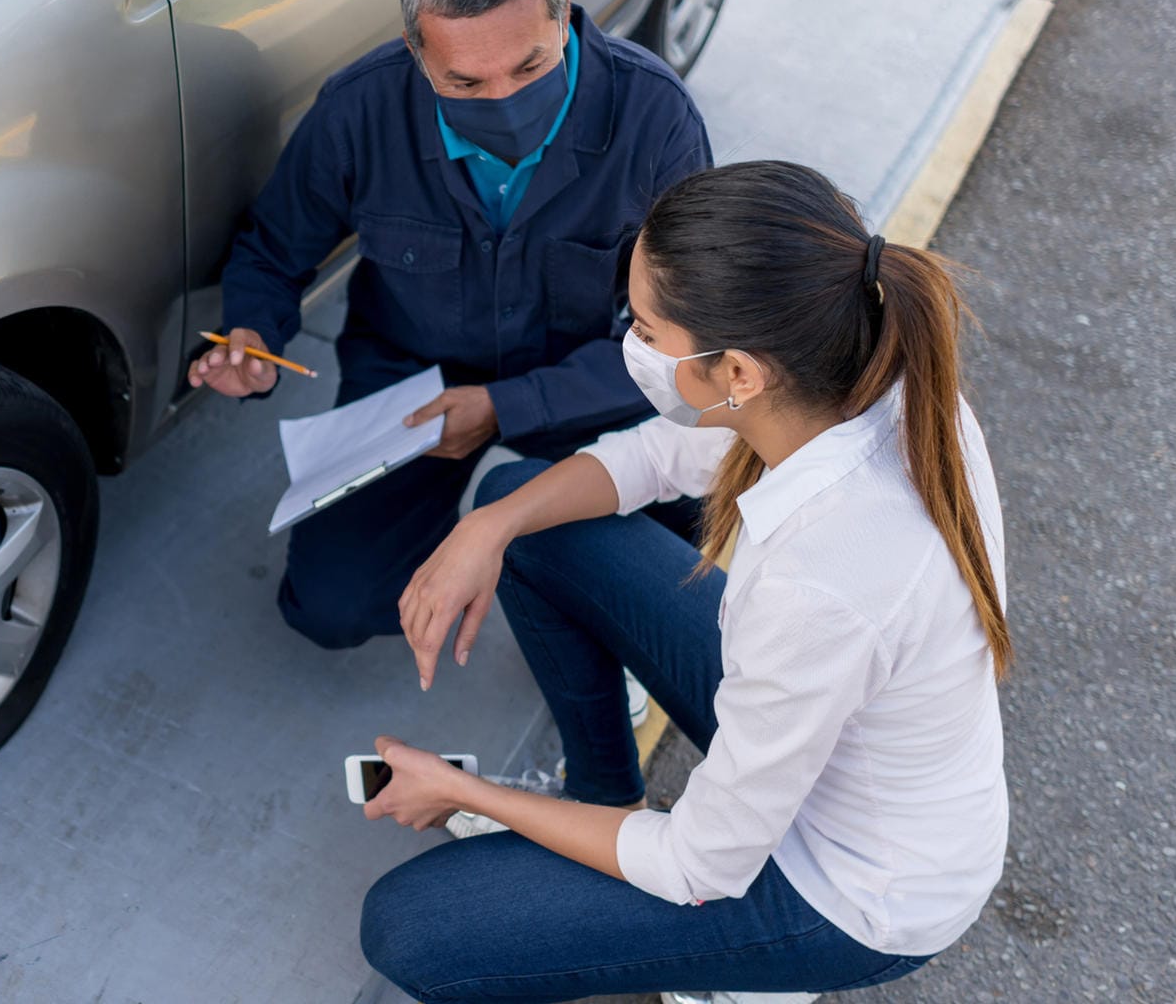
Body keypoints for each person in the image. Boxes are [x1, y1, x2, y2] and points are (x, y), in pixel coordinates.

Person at [357, 161, 1010, 1003]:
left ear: (739, 372)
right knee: (519, 507)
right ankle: (600, 796)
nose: (630, 341)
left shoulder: (823, 581)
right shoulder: (862, 373)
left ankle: (748, 975)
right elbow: (658, 455)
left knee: (411, 929)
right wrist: (487, 527)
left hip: (848, 893)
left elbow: (699, 862)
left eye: (648, 327)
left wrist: (464, 792)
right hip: (826, 738)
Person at [186, 0, 711, 651]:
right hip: (412, 380)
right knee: (330, 606)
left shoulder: (657, 119)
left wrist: (506, 407)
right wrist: (253, 334)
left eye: (529, 68)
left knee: (684, 536)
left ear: (561, 14)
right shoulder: (358, 110)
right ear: (415, 50)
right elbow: (273, 249)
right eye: (465, 82)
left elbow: (695, 336)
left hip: (591, 374)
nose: (503, 101)